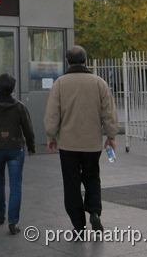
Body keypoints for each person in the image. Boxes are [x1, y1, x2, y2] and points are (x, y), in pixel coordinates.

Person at [44, 45, 118, 232]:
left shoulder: (60, 83)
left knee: (71, 183)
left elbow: (52, 114)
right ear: (86, 60)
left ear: (68, 61)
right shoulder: (99, 83)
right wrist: (111, 136)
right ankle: (94, 211)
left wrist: (51, 135)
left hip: (68, 144)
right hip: (92, 144)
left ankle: (78, 224)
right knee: (92, 178)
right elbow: (108, 113)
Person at [0, 73, 35, 235]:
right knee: (16, 186)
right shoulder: (20, 107)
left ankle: (0, 215)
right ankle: (13, 222)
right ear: (13, 89)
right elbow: (28, 130)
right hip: (16, 149)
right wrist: (31, 147)